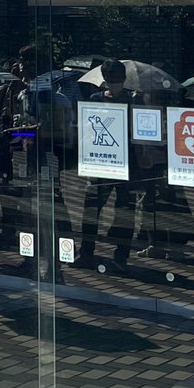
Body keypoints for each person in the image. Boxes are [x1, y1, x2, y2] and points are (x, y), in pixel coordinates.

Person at [79, 59, 135, 269]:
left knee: (124, 211)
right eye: (110, 78)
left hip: (125, 164)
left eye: (117, 78)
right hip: (100, 162)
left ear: (123, 78)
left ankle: (121, 256)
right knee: (91, 209)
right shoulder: (95, 99)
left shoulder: (132, 101)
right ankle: (86, 253)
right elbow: (86, 130)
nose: (113, 82)